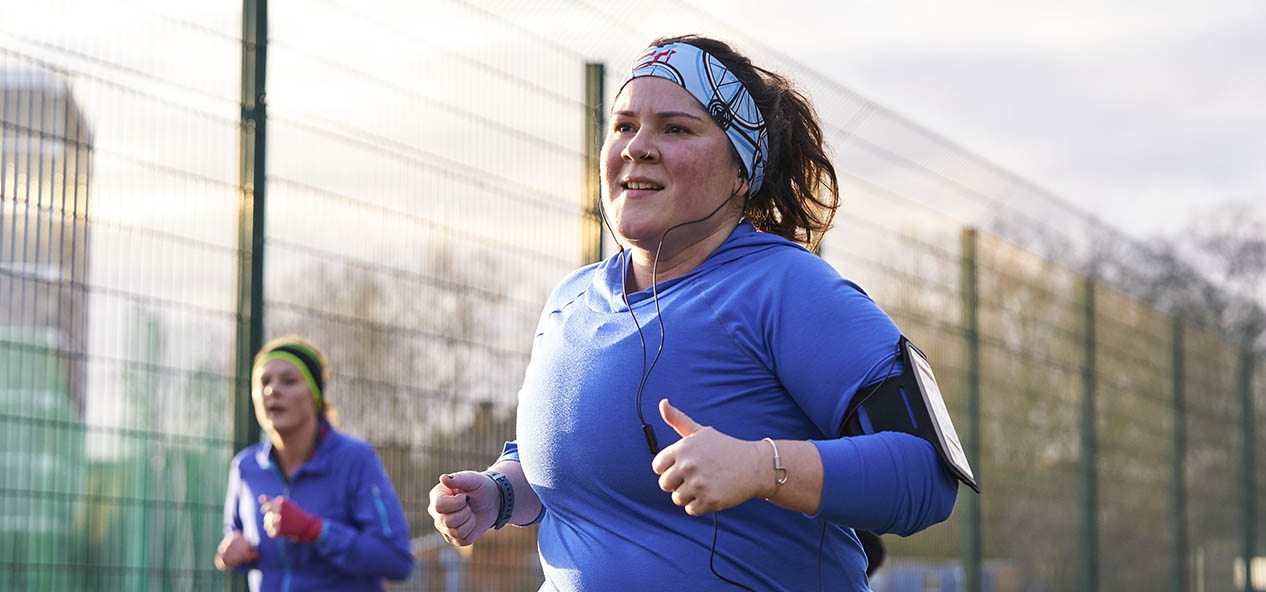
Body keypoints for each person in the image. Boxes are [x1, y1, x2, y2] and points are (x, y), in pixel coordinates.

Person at [428, 34, 966, 591]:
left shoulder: (790, 289)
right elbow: (580, 468)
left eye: (676, 128)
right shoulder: (570, 299)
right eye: (623, 126)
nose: (637, 147)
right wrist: (500, 492)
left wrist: (763, 467)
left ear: (741, 171)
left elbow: (927, 476)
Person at [215, 336, 413, 591]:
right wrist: (232, 552)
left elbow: (397, 561)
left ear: (315, 395)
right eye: (264, 382)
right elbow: (235, 538)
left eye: (289, 381)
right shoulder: (245, 467)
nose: (272, 390)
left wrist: (315, 530)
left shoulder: (356, 459)